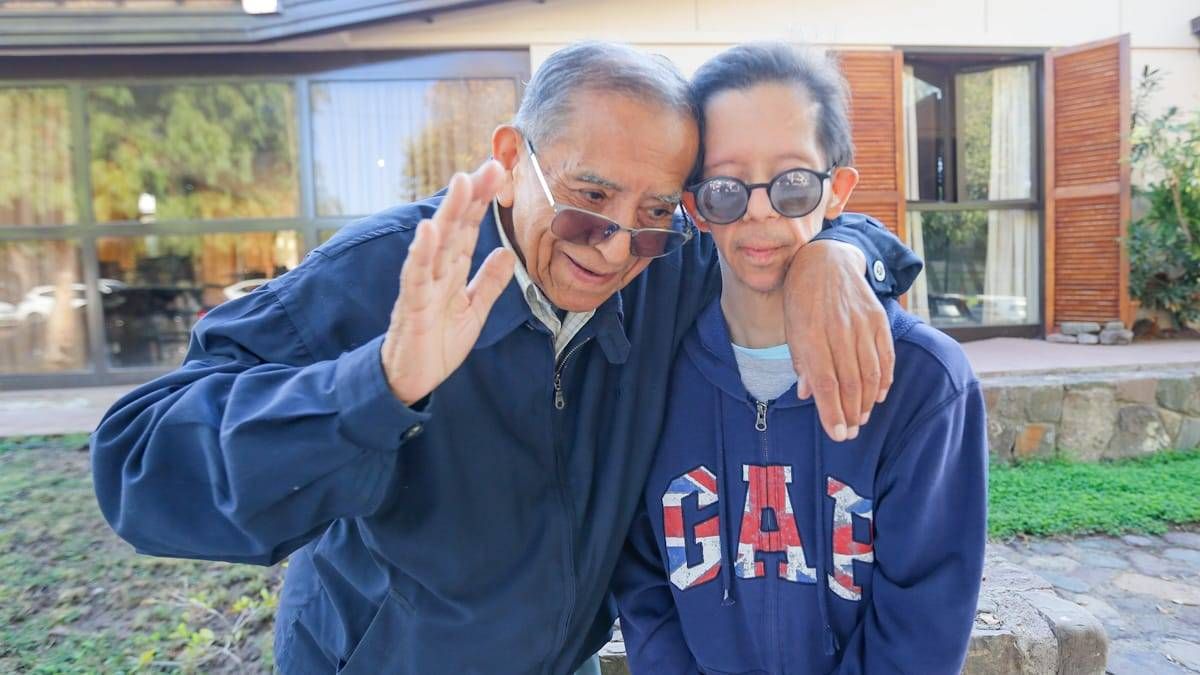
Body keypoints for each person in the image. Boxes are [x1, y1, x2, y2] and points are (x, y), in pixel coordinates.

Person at [90, 42, 922, 674]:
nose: (614, 246)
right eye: (588, 200)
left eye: (656, 211)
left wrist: (839, 257)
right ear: (513, 157)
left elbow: (781, 226)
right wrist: (377, 385)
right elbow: (138, 465)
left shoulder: (663, 262)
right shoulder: (390, 270)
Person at [613, 43, 988, 675]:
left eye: (791, 184)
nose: (758, 210)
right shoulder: (652, 365)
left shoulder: (923, 382)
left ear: (837, 189)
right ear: (696, 206)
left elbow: (924, 617)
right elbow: (644, 580)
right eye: (727, 189)